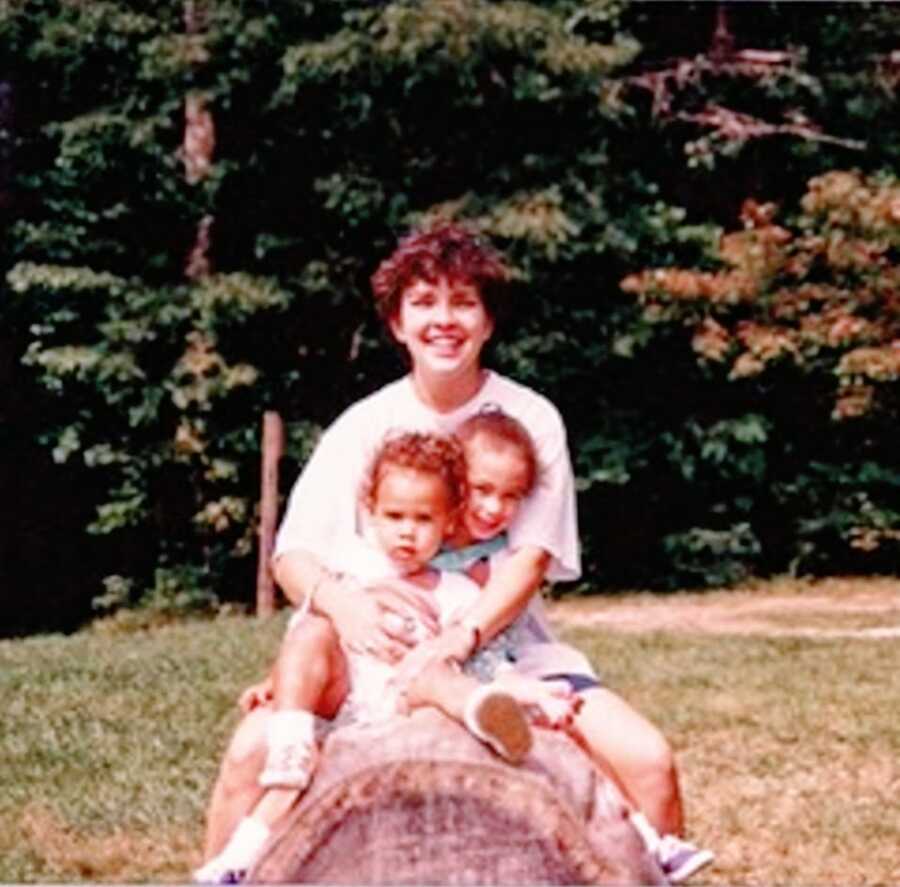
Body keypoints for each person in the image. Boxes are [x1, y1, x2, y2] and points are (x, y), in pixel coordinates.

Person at [199, 224, 708, 881]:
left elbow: (529, 560)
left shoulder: (531, 418)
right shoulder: (363, 425)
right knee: (250, 755)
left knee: (648, 759)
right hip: (367, 653)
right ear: (396, 323)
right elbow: (292, 555)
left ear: (489, 321)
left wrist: (459, 638)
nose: (444, 319)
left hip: (503, 646)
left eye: (464, 302)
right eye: (424, 302)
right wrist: (345, 612)